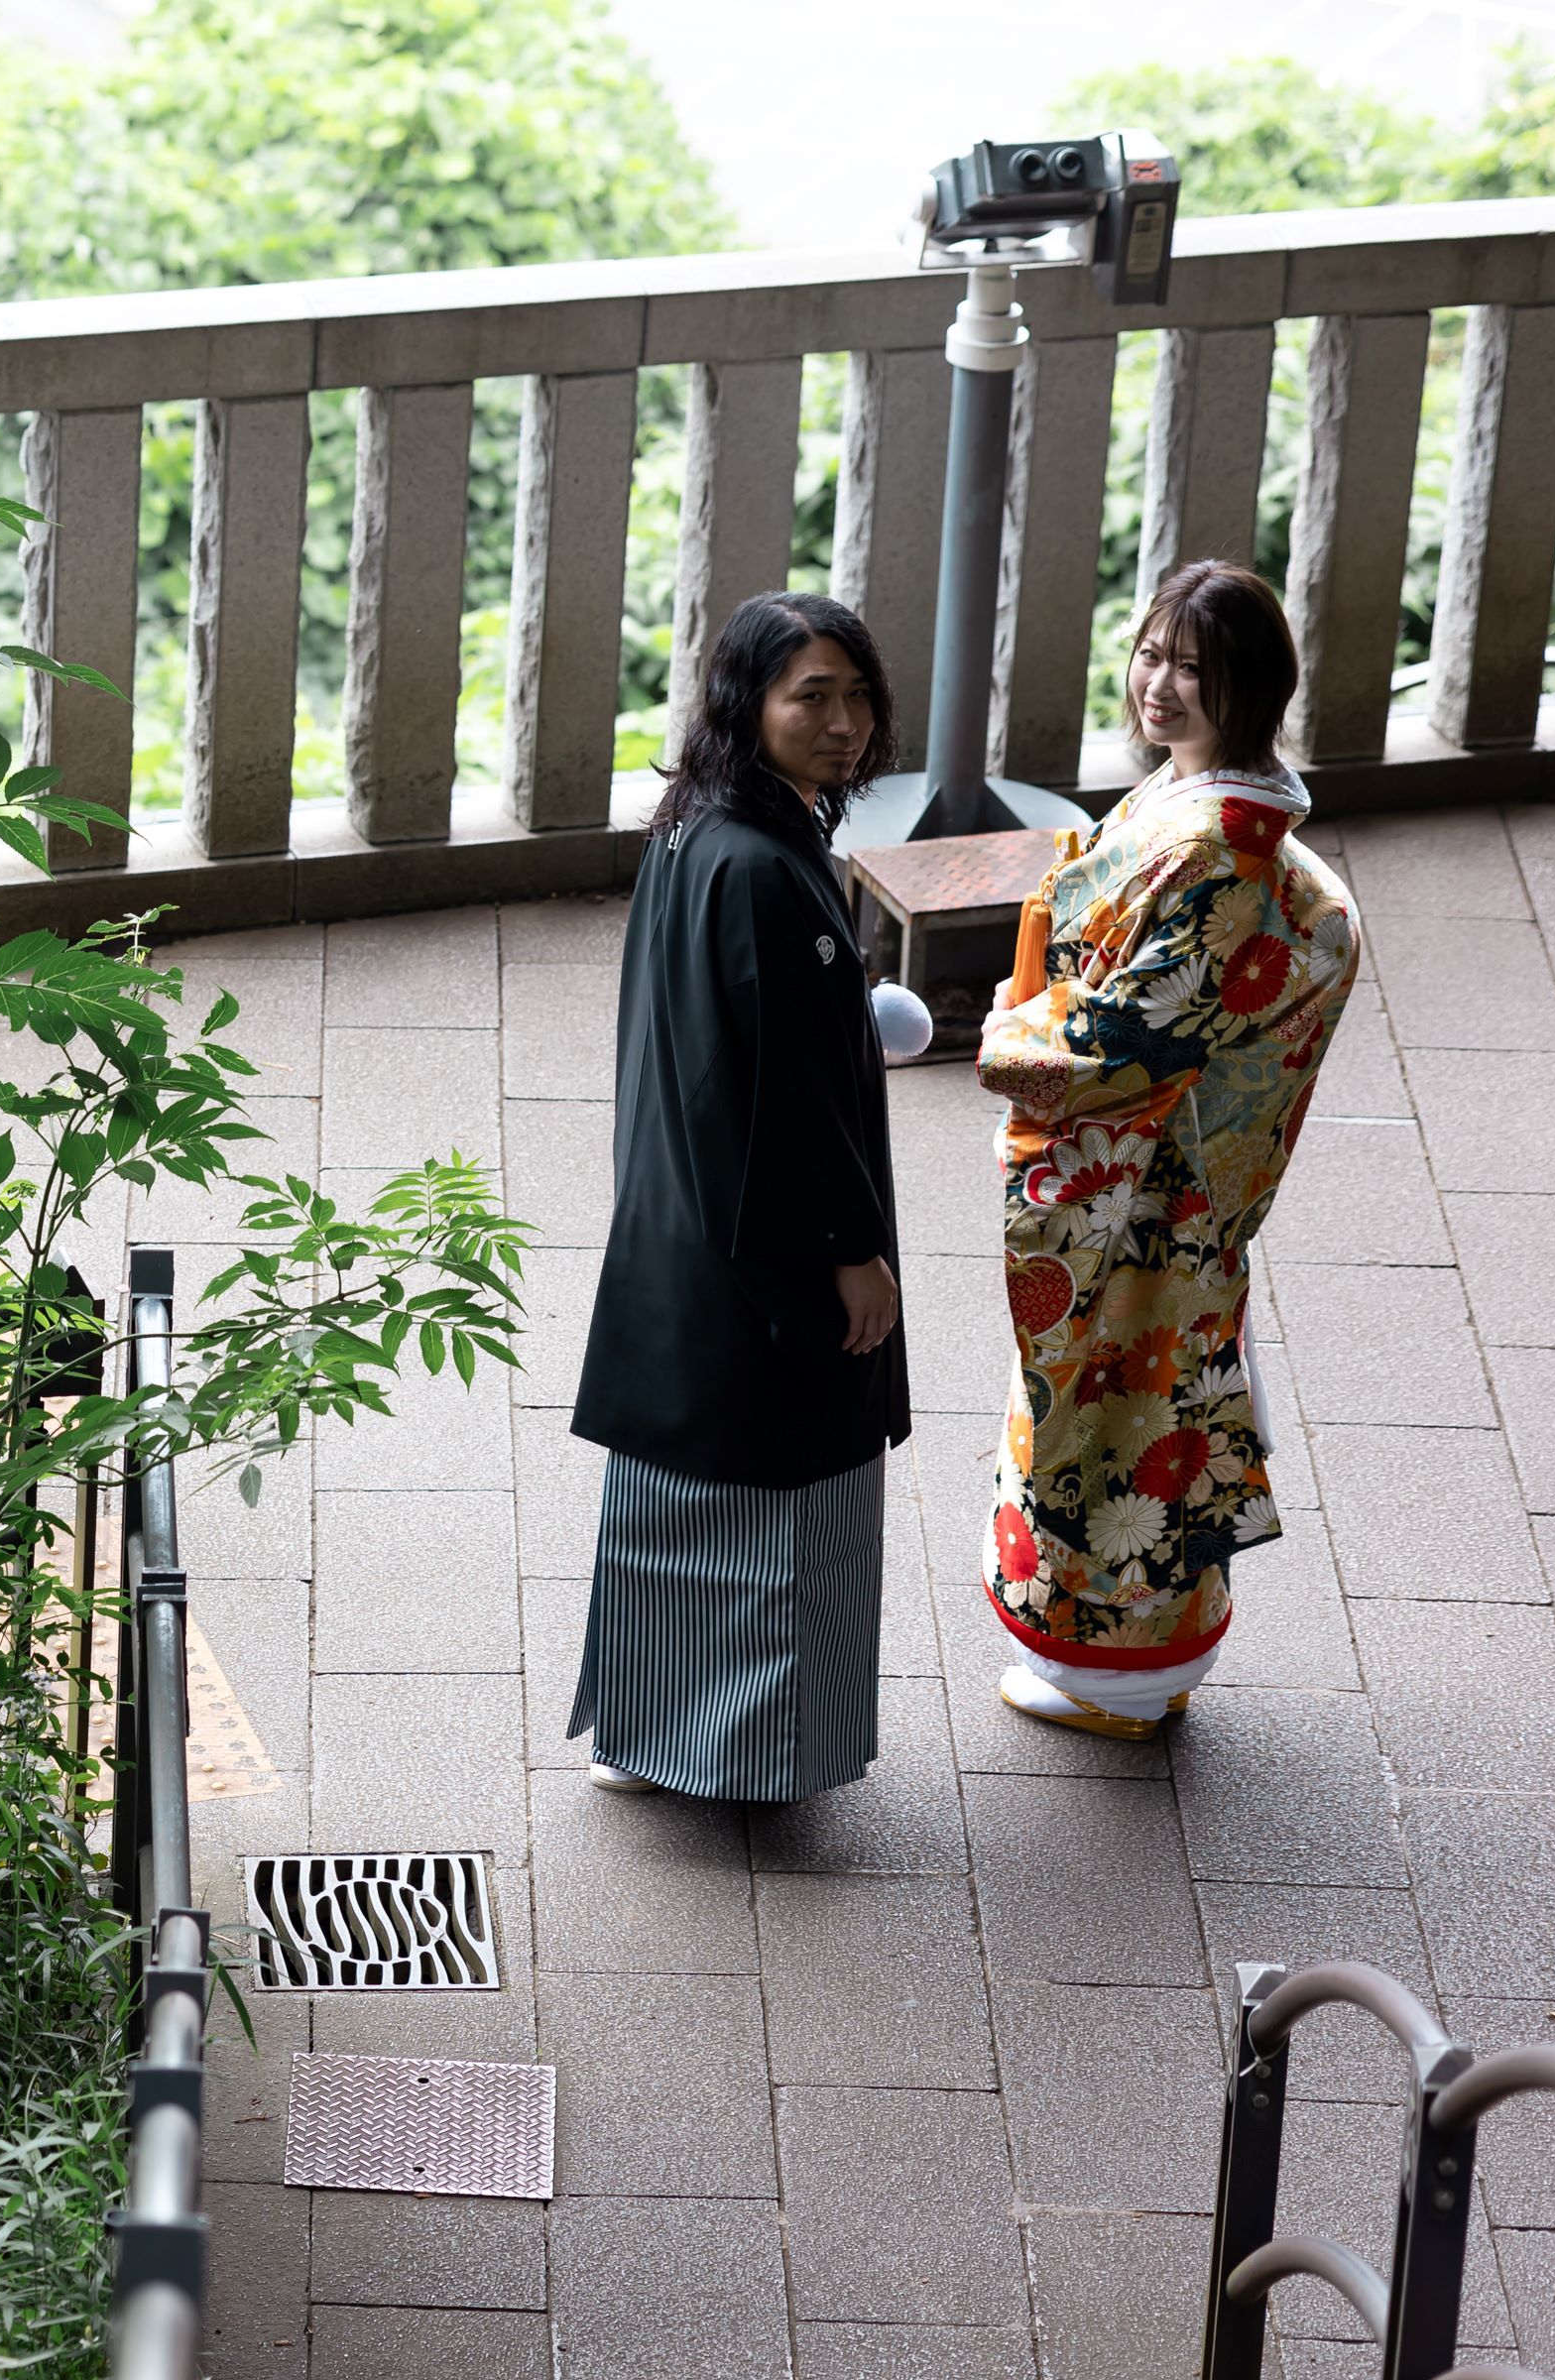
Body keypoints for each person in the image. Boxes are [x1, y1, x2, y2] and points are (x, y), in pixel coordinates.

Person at [979, 559, 1361, 1740]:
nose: (1162, 684)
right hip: (1170, 1173)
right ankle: (1137, 1662)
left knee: (1118, 1419)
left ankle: (1121, 1677)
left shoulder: (1219, 846)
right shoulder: (1217, 808)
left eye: (1194, 668)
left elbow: (1126, 1036)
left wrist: (1013, 1031)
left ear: (1251, 688)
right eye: (1152, 653)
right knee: (1152, 1399)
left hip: (1149, 1181)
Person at [568, 591, 910, 1800]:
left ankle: (647, 1737)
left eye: (855, 694)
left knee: (676, 1496)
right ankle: (755, 1756)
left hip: (677, 1227)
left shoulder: (692, 825)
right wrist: (849, 1251)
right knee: (778, 1506)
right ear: (749, 706)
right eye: (809, 697)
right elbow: (794, 1100)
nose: (843, 723)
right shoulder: (765, 868)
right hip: (766, 1244)